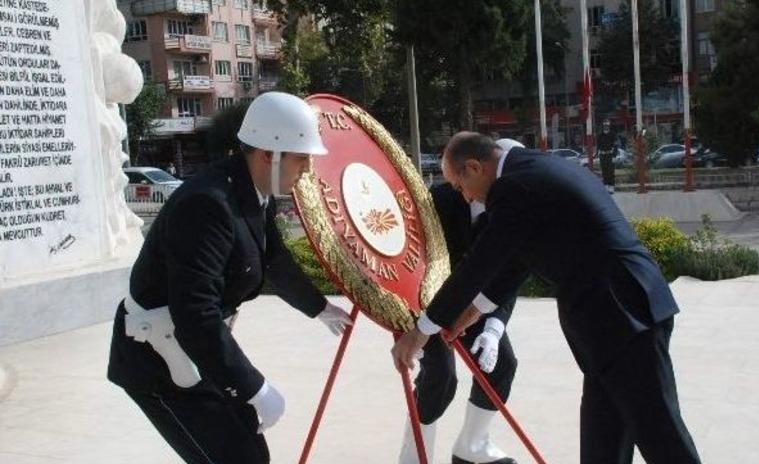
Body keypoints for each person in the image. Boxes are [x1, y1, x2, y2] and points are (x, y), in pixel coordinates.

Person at [392, 132, 701, 464]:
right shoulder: (534, 170)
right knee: (604, 436)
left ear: (474, 167)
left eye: (459, 185)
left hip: (622, 315)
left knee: (660, 434)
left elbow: (480, 264)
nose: (464, 197)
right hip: (610, 318)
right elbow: (516, 260)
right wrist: (474, 311)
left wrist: (421, 331)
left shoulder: (514, 187)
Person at [108, 92, 353, 464]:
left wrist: (319, 308)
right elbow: (196, 312)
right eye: (301, 158)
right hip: (158, 359)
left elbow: (273, 259)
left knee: (251, 452)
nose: (307, 169)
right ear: (268, 154)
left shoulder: (252, 191)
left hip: (194, 347)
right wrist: (254, 388)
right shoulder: (208, 203)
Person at [399, 139, 528, 464]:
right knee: (441, 377)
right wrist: (419, 322)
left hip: (471, 305)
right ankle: (413, 456)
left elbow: (509, 275)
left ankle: (472, 446)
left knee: (501, 364)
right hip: (425, 300)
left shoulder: (514, 209)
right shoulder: (440, 200)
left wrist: (494, 328)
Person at [597, 119, 616, 193]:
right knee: (604, 171)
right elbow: (598, 146)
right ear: (603, 126)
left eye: (607, 125)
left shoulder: (613, 134)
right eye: (605, 125)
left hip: (610, 155)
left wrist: (614, 156)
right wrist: (598, 154)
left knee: (611, 171)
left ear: (609, 126)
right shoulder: (600, 135)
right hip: (602, 155)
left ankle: (611, 186)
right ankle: (606, 185)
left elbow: (615, 145)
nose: (606, 126)